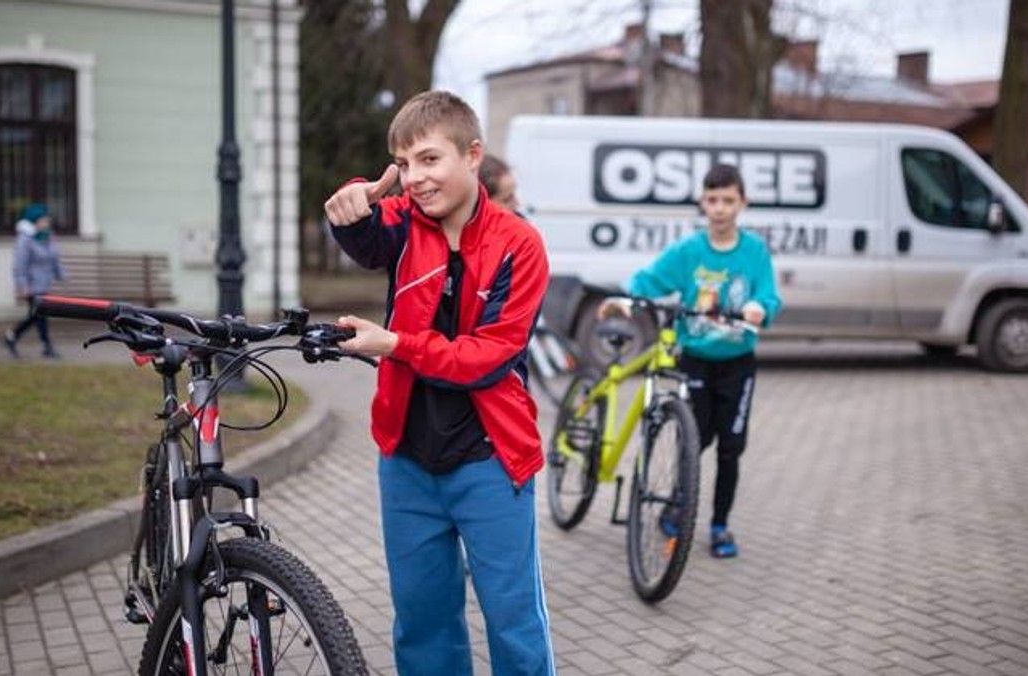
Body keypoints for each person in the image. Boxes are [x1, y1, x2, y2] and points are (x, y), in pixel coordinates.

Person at [323, 90, 555, 676]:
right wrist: (353, 204)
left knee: (514, 624)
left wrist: (395, 345)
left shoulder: (519, 244)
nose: (415, 178)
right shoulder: (403, 221)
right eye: (403, 165)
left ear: (472, 155)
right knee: (423, 623)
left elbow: (491, 357)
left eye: (429, 159)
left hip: (491, 460)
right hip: (407, 461)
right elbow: (369, 237)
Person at [598, 163, 782, 559]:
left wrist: (759, 307)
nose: (719, 208)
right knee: (694, 442)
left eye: (728, 200)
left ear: (742, 203)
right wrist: (627, 299)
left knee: (731, 446)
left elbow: (769, 296)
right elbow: (649, 279)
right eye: (712, 200)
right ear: (702, 201)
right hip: (695, 361)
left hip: (738, 364)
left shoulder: (754, 252)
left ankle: (719, 526)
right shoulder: (688, 252)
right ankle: (677, 506)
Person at [5, 202, 65, 359]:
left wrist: (60, 274)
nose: (47, 222)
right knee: (39, 315)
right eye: (44, 219)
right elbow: (19, 265)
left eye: (47, 219)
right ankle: (46, 346)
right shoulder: (25, 240)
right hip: (31, 286)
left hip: (43, 284)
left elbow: (54, 258)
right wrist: (23, 286)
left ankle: (12, 336)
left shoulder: (47, 237)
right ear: (35, 221)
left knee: (36, 315)